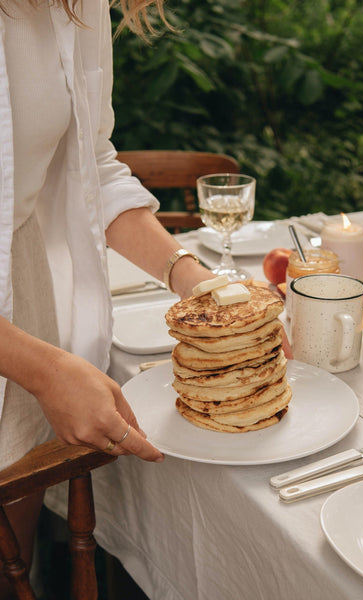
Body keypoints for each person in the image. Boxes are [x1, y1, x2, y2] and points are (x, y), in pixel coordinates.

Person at [0, 0, 213, 595]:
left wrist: (197, 279)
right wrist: (43, 370)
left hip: (22, 293)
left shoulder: (79, 6)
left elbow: (93, 164)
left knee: (12, 560)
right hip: (22, 351)